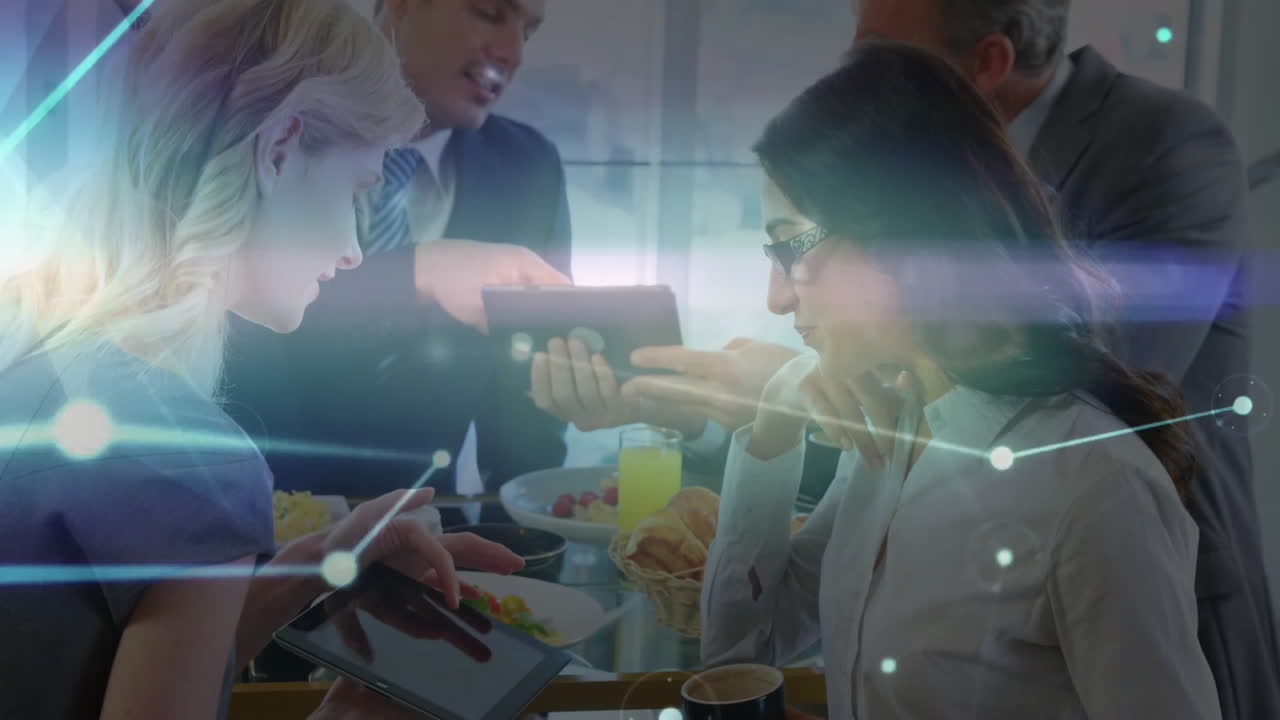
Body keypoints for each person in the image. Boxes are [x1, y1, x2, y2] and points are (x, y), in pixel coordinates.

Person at [0, 1, 522, 717]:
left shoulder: (31, 348)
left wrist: (314, 566)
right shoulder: (195, 462)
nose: (353, 249)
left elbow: (110, 658)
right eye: (355, 192)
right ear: (280, 150)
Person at [700, 41, 1220, 720]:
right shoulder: (893, 435)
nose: (777, 297)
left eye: (792, 244)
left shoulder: (1093, 486)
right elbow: (742, 656)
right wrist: (773, 423)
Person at [847, 3, 1275, 718]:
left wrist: (853, 356)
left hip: (1150, 596)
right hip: (985, 571)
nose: (854, 76)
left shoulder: (1165, 143)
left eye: (879, 53)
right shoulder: (930, 164)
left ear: (987, 63)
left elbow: (1088, 370)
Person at [220, 0, 574, 500]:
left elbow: (527, 416)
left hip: (434, 541)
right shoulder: (263, 120)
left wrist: (526, 563)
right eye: (490, 14)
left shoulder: (528, 168)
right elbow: (218, 307)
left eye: (529, 32)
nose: (512, 51)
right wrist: (416, 273)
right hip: (258, 528)